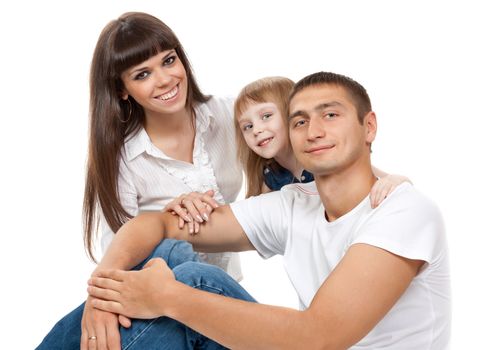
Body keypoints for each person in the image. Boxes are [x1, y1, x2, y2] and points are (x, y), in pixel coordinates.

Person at [38, 71, 450, 349]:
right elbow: (153, 224)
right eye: (300, 121)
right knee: (178, 263)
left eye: (331, 115)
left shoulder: (404, 210)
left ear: (369, 127)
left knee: (180, 286)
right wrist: (101, 292)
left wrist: (167, 297)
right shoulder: (292, 202)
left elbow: (320, 336)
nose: (315, 130)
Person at [57, 10, 245, 349]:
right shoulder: (124, 160)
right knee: (170, 256)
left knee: (187, 272)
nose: (164, 79)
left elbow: (294, 148)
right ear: (123, 90)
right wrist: (164, 219)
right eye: (143, 74)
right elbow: (119, 254)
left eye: (169, 60)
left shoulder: (228, 115)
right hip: (158, 297)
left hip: (215, 292)